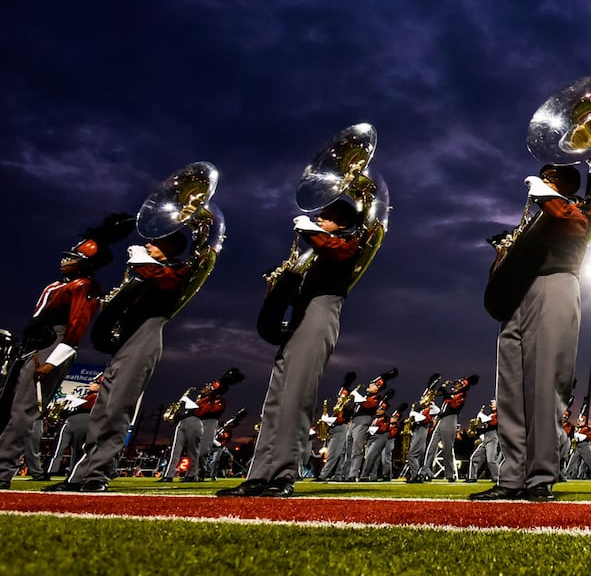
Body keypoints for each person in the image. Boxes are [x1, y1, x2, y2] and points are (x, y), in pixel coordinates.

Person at [220, 197, 367, 498]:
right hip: (301, 316)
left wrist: (314, 233)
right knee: (275, 401)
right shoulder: (316, 251)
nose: (319, 221)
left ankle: (284, 474)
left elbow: (339, 252)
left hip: (320, 313)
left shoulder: (347, 243)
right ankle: (259, 475)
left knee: (296, 397)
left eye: (325, 218)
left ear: (340, 223)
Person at [47, 232, 211, 493]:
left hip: (146, 335)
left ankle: (97, 474)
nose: (147, 244)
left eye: (154, 242)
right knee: (102, 410)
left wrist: (142, 260)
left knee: (117, 408)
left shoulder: (178, 268)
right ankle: (81, 473)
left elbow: (167, 284)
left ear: (169, 246)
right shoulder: (150, 270)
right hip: (128, 337)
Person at [471, 162, 591, 502]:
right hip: (517, 294)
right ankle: (510, 477)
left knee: (544, 386)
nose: (542, 180)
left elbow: (567, 219)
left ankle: (541, 477)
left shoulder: (578, 208)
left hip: (554, 286)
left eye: (550, 177)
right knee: (510, 388)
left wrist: (544, 191)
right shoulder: (537, 218)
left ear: (564, 184)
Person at [0, 215, 132, 489]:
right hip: (33, 348)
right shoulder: (60, 285)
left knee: (23, 413)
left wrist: (53, 360)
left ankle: (3, 470)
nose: (64, 260)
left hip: (51, 347)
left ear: (85, 263)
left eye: (72, 257)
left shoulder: (82, 286)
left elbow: (76, 327)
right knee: (11, 410)